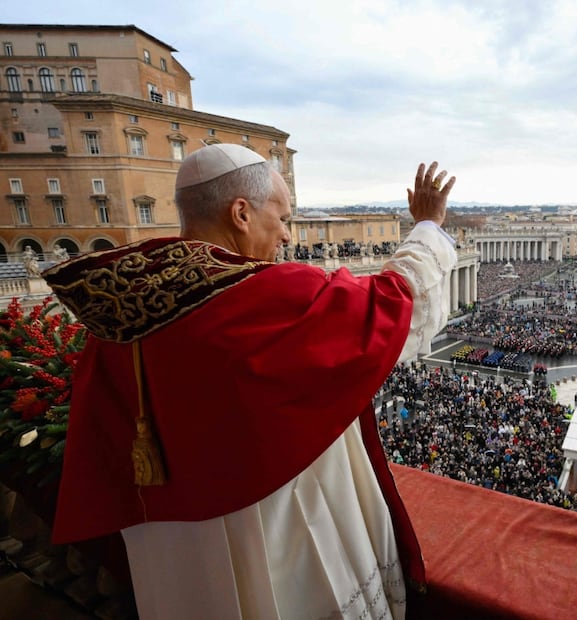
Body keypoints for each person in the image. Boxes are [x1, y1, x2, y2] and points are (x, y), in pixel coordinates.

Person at [42, 144, 458, 619]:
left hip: (173, 548)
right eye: (280, 217)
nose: (285, 235)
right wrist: (427, 226)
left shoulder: (118, 315)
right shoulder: (264, 296)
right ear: (240, 212)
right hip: (277, 529)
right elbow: (397, 304)